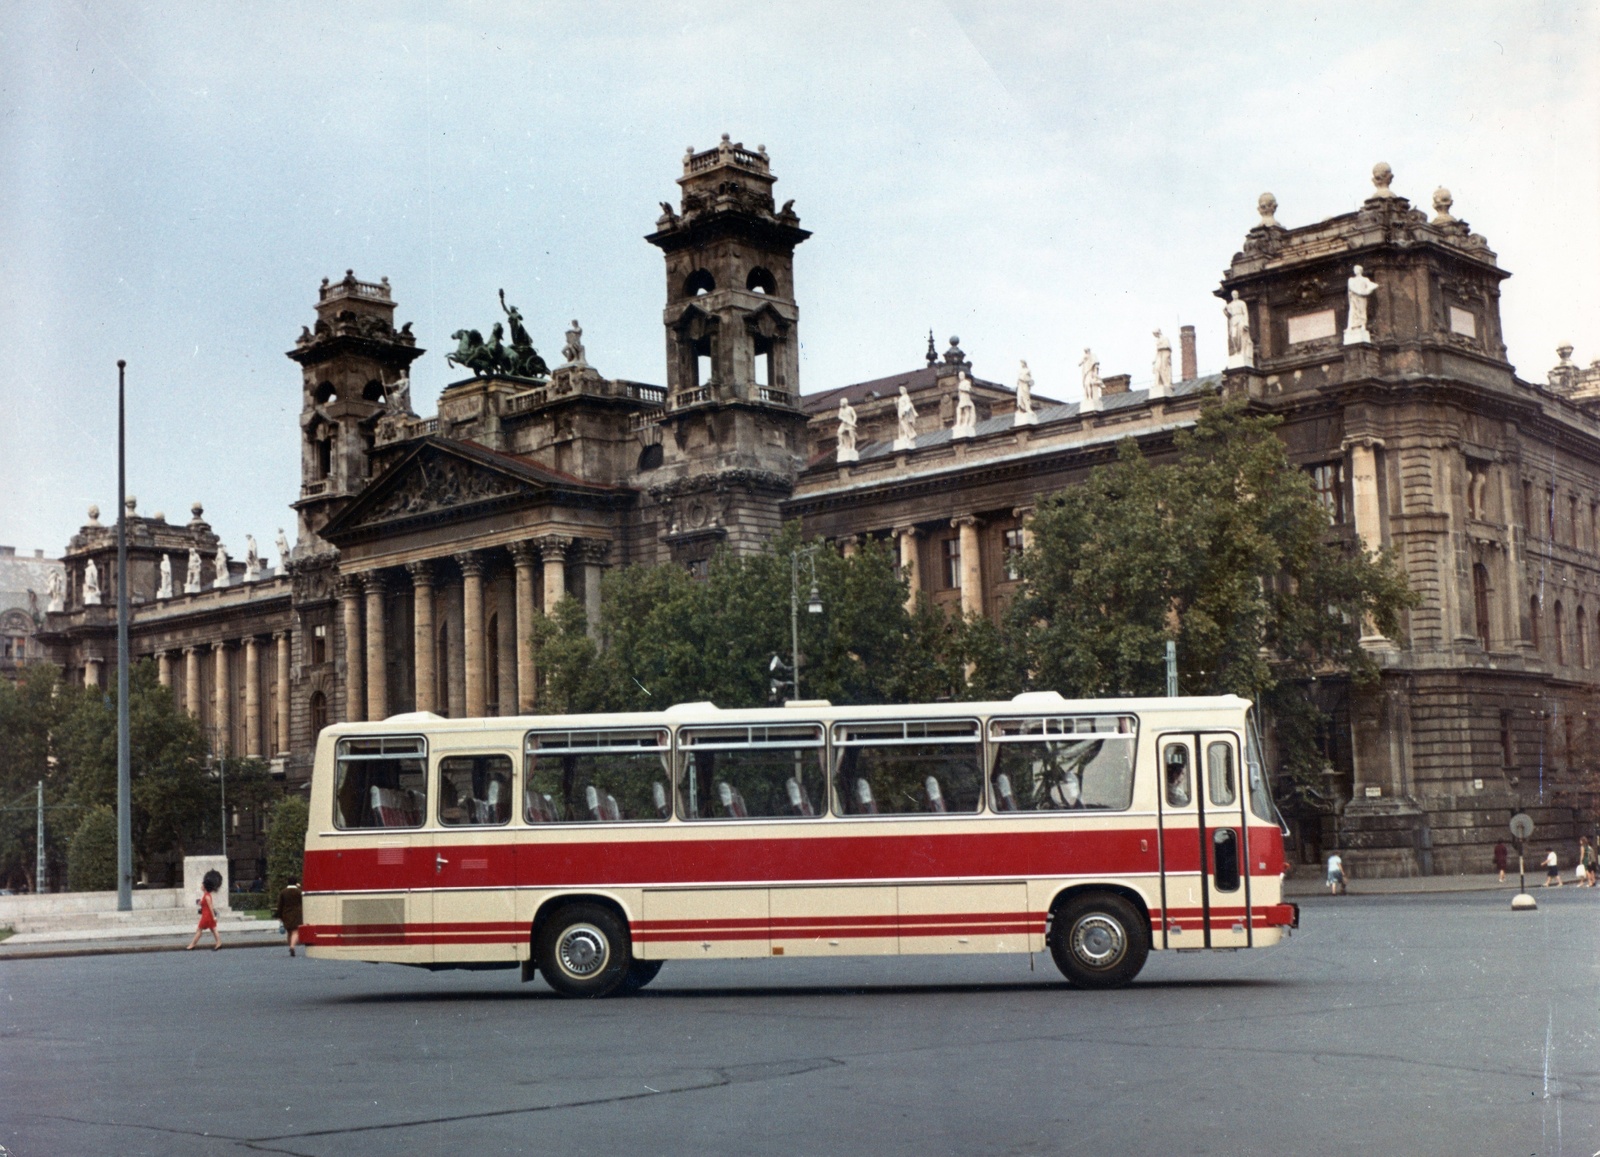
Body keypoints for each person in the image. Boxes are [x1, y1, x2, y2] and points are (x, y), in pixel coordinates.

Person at [186, 869, 224, 950]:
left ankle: (192, 945)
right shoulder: (206, 895)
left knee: (199, 930)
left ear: (205, 887)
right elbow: (206, 905)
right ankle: (218, 942)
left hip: (206, 916)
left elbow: (210, 907)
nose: (201, 886)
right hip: (207, 915)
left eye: (202, 885)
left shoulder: (206, 896)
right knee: (213, 929)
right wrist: (200, 902)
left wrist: (214, 917)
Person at [274, 878, 304, 957]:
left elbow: (280, 905)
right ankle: (292, 946)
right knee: (295, 931)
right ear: (295, 883)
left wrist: (279, 915)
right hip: (297, 913)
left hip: (286, 914)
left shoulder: (283, 892)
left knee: (289, 932)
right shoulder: (299, 892)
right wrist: (300, 887)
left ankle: (290, 945)